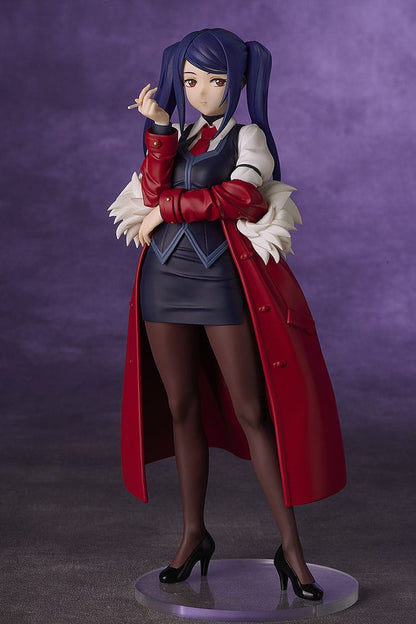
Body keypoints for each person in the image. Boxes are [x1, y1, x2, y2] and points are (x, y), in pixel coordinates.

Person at [109, 28, 346, 601]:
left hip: (219, 281)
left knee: (251, 410)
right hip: (164, 280)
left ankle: (291, 549)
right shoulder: (179, 133)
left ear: (237, 82)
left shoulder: (249, 137)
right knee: (181, 406)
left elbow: (246, 199)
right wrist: (159, 131)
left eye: (215, 81)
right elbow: (152, 188)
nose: (201, 92)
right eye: (191, 80)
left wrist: (165, 210)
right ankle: (193, 536)